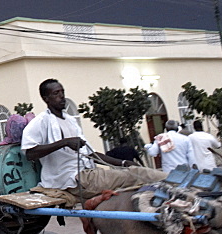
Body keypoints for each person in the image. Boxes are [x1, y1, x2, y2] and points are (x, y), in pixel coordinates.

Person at [22, 79, 165, 201]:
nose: (62, 96)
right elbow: (30, 153)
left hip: (88, 173)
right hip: (73, 179)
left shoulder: (70, 121)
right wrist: (64, 142)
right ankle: (174, 180)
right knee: (138, 175)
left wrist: (122, 163)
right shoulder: (40, 121)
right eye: (56, 93)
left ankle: (172, 181)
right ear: (45, 98)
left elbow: (91, 154)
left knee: (134, 170)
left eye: (62, 92)